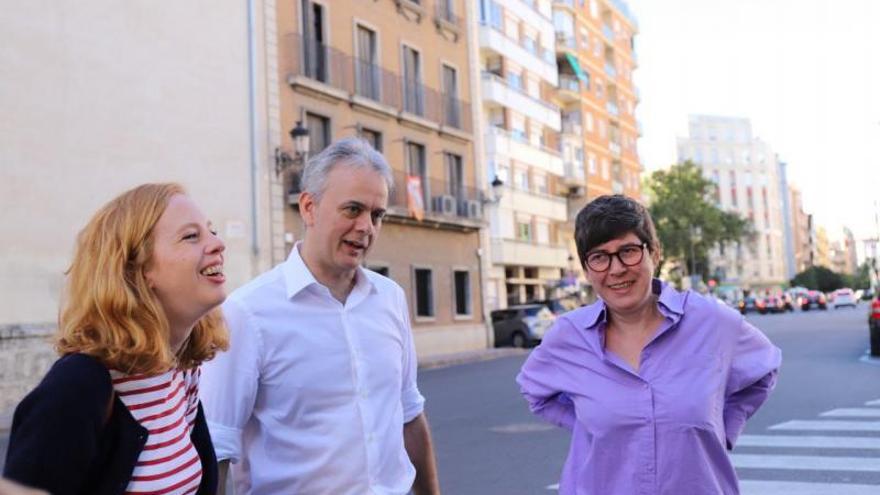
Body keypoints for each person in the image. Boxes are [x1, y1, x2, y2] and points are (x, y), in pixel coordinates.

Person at [200, 138, 440, 495]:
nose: (366, 227)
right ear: (309, 208)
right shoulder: (247, 313)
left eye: (377, 215)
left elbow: (409, 414)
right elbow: (216, 447)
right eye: (353, 210)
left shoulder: (390, 298)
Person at [517, 194, 781, 494]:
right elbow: (535, 392)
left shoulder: (713, 322)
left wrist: (721, 427)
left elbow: (764, 371)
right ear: (587, 269)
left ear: (654, 253)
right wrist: (589, 425)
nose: (615, 269)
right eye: (599, 257)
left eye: (628, 251)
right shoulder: (568, 336)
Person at [3, 183, 229, 495]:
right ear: (138, 269)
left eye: (211, 231)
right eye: (191, 236)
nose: (218, 243)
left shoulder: (183, 370)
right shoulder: (78, 387)